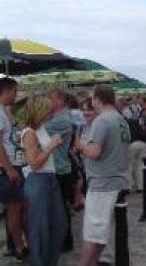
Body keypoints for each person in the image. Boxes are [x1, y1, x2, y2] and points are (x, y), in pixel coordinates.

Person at [78, 85, 130, 266]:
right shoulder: (120, 118)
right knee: (101, 235)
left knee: (93, 234)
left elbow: (94, 152)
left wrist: (81, 145)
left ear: (96, 99)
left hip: (102, 183)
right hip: (118, 180)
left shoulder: (102, 121)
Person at [21, 96, 66, 266]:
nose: (51, 111)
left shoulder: (40, 129)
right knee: (40, 228)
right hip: (39, 181)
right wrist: (51, 146)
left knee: (58, 225)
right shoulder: (30, 133)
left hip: (49, 179)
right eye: (47, 108)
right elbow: (33, 163)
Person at [44, 87, 75, 251]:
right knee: (58, 207)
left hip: (59, 169)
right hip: (56, 168)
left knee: (61, 208)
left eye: (51, 98)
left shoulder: (61, 119)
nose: (48, 101)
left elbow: (38, 131)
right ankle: (62, 239)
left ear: (60, 100)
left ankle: (65, 240)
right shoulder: (55, 117)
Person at [0, 77, 26, 260]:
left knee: (16, 207)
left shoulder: (4, 111)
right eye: (15, 91)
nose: (16, 95)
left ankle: (18, 244)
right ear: (7, 90)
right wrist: (8, 169)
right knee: (14, 208)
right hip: (8, 167)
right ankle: (19, 247)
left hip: (12, 165)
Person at [117, 97, 146, 192]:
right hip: (142, 143)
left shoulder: (123, 122)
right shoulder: (133, 120)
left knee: (128, 167)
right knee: (139, 165)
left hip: (132, 144)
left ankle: (127, 187)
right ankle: (141, 186)